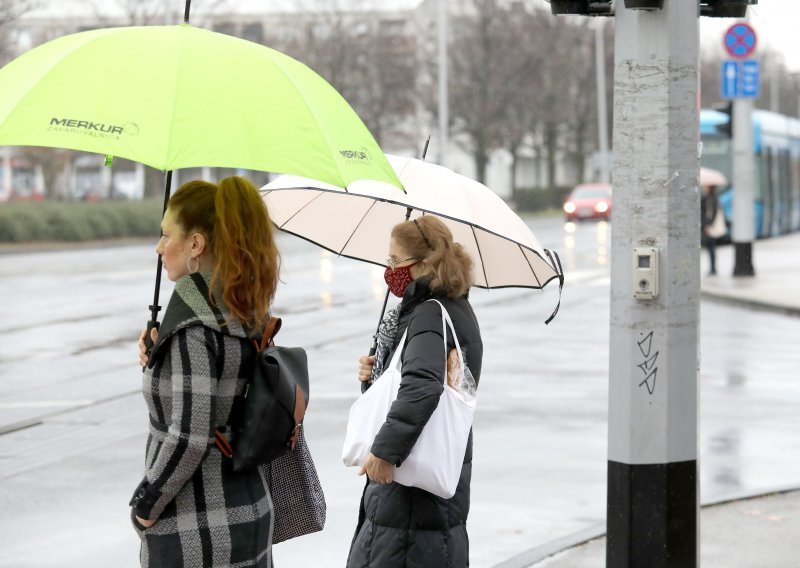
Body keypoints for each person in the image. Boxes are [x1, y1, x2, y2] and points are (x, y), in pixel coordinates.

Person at [131, 176, 280, 568]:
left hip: (196, 528)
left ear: (195, 244)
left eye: (167, 235)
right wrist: (161, 345)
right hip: (251, 512)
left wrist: (145, 507)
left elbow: (189, 437)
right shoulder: (245, 306)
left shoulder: (191, 326)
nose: (159, 247)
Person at [347, 216, 483, 568]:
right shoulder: (456, 309)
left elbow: (423, 386)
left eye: (396, 261)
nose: (389, 269)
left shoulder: (427, 314)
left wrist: (385, 452)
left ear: (425, 263)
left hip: (408, 497)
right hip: (435, 488)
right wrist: (374, 375)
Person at [701, 183, 720, 275]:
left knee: (710, 247)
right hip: (707, 225)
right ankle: (712, 269)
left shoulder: (711, 198)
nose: (704, 187)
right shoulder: (707, 197)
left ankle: (713, 269)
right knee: (710, 248)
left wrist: (709, 225)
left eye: (705, 186)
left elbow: (713, 213)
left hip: (708, 226)